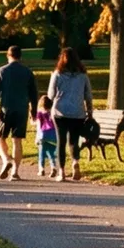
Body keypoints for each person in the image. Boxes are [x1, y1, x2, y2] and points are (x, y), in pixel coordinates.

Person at [0, 42, 39, 180]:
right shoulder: (28, 72)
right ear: (20, 57)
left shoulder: (2, 71)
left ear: (7, 56)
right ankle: (15, 171)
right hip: (22, 109)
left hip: (6, 109)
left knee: (0, 138)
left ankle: (6, 159)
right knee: (17, 141)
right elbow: (34, 94)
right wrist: (34, 111)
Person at [47, 46, 94, 181]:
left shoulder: (57, 74)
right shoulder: (83, 75)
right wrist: (89, 112)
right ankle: (75, 162)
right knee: (74, 141)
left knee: (61, 142)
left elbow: (51, 95)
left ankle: (61, 172)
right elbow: (88, 95)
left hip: (60, 112)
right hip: (77, 112)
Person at [35, 93, 59, 177]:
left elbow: (38, 124)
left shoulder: (40, 113)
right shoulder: (52, 113)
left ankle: (41, 169)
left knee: (41, 153)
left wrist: (37, 137)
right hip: (52, 135)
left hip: (42, 134)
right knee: (50, 152)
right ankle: (53, 167)